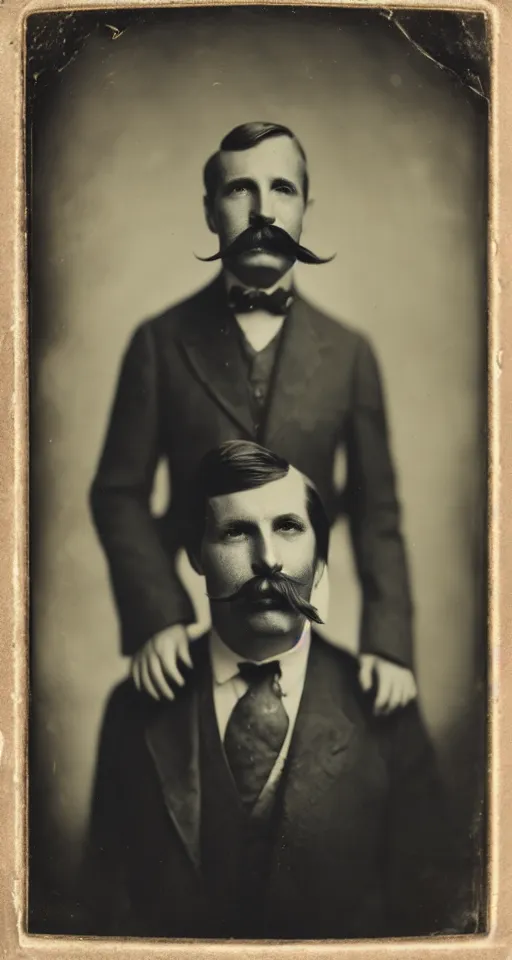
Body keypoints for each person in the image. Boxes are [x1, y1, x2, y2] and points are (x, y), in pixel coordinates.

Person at [90, 120, 416, 712]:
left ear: (305, 208)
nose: (263, 211)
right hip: (201, 630)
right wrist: (155, 616)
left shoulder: (349, 353)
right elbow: (118, 492)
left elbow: (377, 511)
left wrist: (389, 644)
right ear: (211, 211)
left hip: (306, 626)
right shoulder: (159, 344)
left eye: (282, 189)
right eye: (240, 190)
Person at [85, 441, 462, 939]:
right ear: (197, 556)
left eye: (288, 527)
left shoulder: (383, 712)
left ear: (320, 556)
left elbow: (430, 911)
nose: (268, 560)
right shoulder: (134, 709)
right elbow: (102, 911)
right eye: (237, 532)